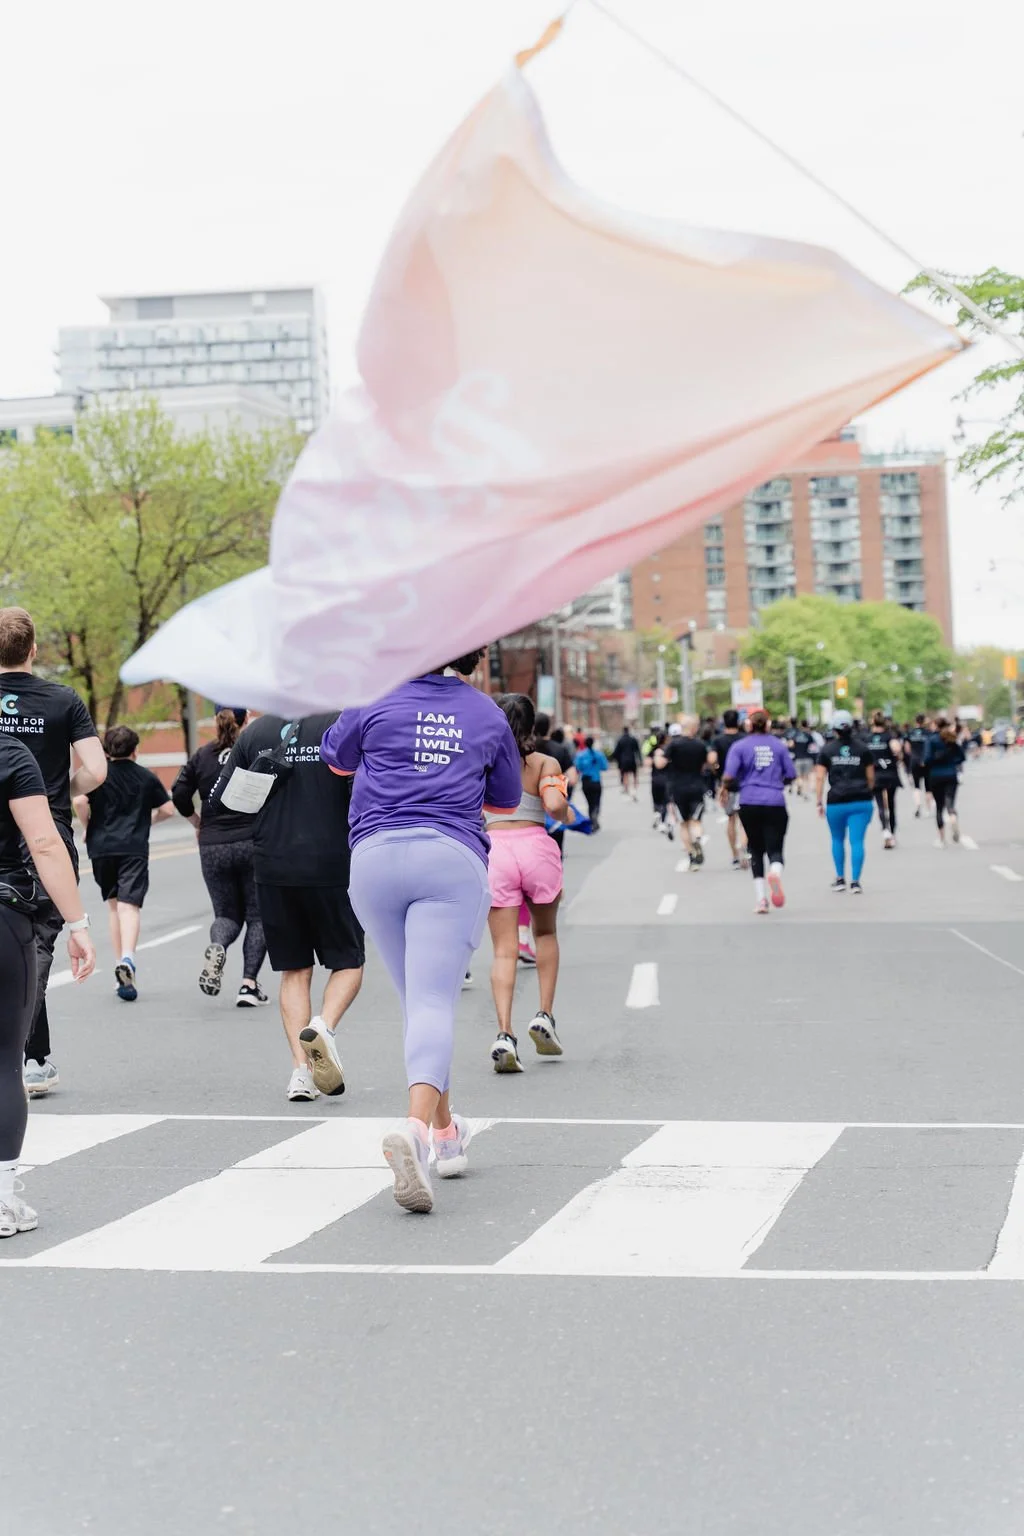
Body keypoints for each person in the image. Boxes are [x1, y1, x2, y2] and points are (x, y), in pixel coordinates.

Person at [320, 650, 522, 1214]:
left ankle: (446, 1135)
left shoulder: (375, 695)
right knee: (433, 999)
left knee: (418, 1001)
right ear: (477, 656)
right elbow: (504, 800)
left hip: (374, 858)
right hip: (449, 855)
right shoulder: (487, 713)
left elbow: (336, 759)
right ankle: (414, 1130)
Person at [210, 712, 365, 1101]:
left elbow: (219, 801)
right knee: (349, 962)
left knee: (294, 971)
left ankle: (301, 1073)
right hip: (334, 862)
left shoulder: (256, 732)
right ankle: (323, 1028)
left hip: (274, 864)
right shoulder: (345, 723)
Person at [0, 607, 107, 1097]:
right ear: (34, 650)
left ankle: (34, 1058)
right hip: (45, 832)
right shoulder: (63, 699)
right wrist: (60, 789)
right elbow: (97, 771)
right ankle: (28, 1056)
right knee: (35, 944)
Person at [0, 731, 96, 1238]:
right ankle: (1, 1200)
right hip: (4, 912)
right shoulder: (10, 752)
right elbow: (43, 841)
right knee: (4, 1060)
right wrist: (77, 924)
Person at [486, 693, 576, 1073]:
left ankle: (504, 1033)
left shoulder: (483, 762)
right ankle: (544, 1015)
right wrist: (570, 812)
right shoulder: (544, 762)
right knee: (544, 935)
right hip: (536, 848)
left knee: (505, 951)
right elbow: (555, 806)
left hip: (496, 851)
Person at [172, 706, 269, 1007]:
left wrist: (197, 822)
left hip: (213, 843)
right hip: (252, 840)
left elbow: (178, 793)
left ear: (215, 721)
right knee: (258, 915)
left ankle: (218, 946)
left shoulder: (202, 755)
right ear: (245, 721)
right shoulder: (256, 751)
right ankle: (248, 985)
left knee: (226, 915)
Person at [72, 727, 175, 1001]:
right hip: (133, 847)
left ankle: (121, 974)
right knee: (130, 906)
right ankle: (127, 958)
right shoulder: (145, 777)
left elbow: (79, 801)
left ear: (106, 750)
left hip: (101, 848)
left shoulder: (98, 774)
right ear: (135, 750)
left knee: (114, 906)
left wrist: (88, 827)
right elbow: (167, 809)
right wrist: (148, 822)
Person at [722, 710, 795, 913]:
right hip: (775, 801)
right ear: (768, 725)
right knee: (776, 849)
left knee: (755, 849)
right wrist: (777, 783)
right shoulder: (778, 746)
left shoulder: (740, 747)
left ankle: (761, 899)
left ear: (749, 726)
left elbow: (729, 776)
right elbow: (791, 774)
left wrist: (728, 787)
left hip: (749, 801)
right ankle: (775, 871)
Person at [816, 711, 875, 893]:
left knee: (837, 839)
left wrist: (819, 801)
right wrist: (867, 791)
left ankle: (840, 878)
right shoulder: (863, 749)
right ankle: (855, 882)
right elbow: (871, 776)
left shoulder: (827, 750)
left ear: (833, 728)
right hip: (861, 800)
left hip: (836, 801)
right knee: (857, 841)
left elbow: (820, 778)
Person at [666, 717, 711, 868]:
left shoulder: (673, 745)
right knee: (696, 821)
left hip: (678, 787)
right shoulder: (700, 745)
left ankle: (691, 853)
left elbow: (662, 762)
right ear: (694, 728)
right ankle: (697, 838)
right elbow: (706, 764)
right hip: (697, 786)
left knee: (683, 824)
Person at [712, 709, 747, 867]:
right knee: (744, 821)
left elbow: (712, 760)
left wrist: (718, 773)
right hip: (745, 784)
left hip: (727, 784)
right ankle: (745, 849)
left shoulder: (718, 740)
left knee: (731, 819)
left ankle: (734, 855)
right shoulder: (745, 738)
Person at [925, 719, 967, 847]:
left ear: (936, 725)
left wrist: (934, 760)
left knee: (939, 806)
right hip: (950, 774)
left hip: (935, 775)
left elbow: (927, 758)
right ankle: (953, 817)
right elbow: (962, 757)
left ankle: (942, 838)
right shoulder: (952, 738)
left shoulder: (931, 740)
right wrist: (952, 761)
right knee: (950, 801)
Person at [865, 711, 903, 850]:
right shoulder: (889, 737)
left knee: (880, 805)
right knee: (892, 805)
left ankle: (885, 831)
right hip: (890, 773)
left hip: (876, 775)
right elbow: (897, 750)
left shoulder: (868, 739)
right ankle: (892, 833)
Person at [574, 734, 608, 829]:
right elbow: (605, 767)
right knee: (596, 801)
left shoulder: (580, 755)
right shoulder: (599, 754)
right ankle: (595, 814)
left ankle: (592, 819)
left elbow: (577, 767)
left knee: (589, 802)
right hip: (596, 781)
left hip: (586, 782)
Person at [905, 714, 932, 819]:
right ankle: (928, 809)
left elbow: (907, 749)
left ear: (915, 721)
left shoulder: (910, 733)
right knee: (928, 786)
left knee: (916, 786)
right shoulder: (928, 733)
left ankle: (918, 805)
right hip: (925, 761)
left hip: (914, 761)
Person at [611, 723, 643, 799]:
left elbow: (616, 751)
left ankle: (626, 788)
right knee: (635, 775)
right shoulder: (633, 739)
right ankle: (634, 789)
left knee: (625, 775)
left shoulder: (620, 740)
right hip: (632, 759)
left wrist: (613, 758)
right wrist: (640, 760)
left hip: (624, 760)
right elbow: (637, 750)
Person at [788, 719, 816, 800]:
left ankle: (800, 786)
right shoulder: (809, 736)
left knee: (798, 776)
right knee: (806, 777)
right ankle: (805, 793)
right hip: (807, 758)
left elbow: (790, 745)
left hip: (798, 759)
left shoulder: (796, 735)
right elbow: (813, 748)